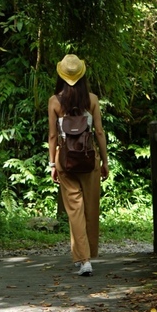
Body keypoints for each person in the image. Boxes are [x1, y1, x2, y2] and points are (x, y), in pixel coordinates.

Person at [47, 54, 109, 276]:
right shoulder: (91, 99)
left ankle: (84, 260)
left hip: (65, 161)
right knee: (91, 209)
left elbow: (53, 137)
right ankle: (87, 255)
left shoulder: (55, 101)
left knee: (75, 211)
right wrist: (105, 161)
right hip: (89, 159)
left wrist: (52, 165)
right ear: (82, 75)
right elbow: (99, 132)